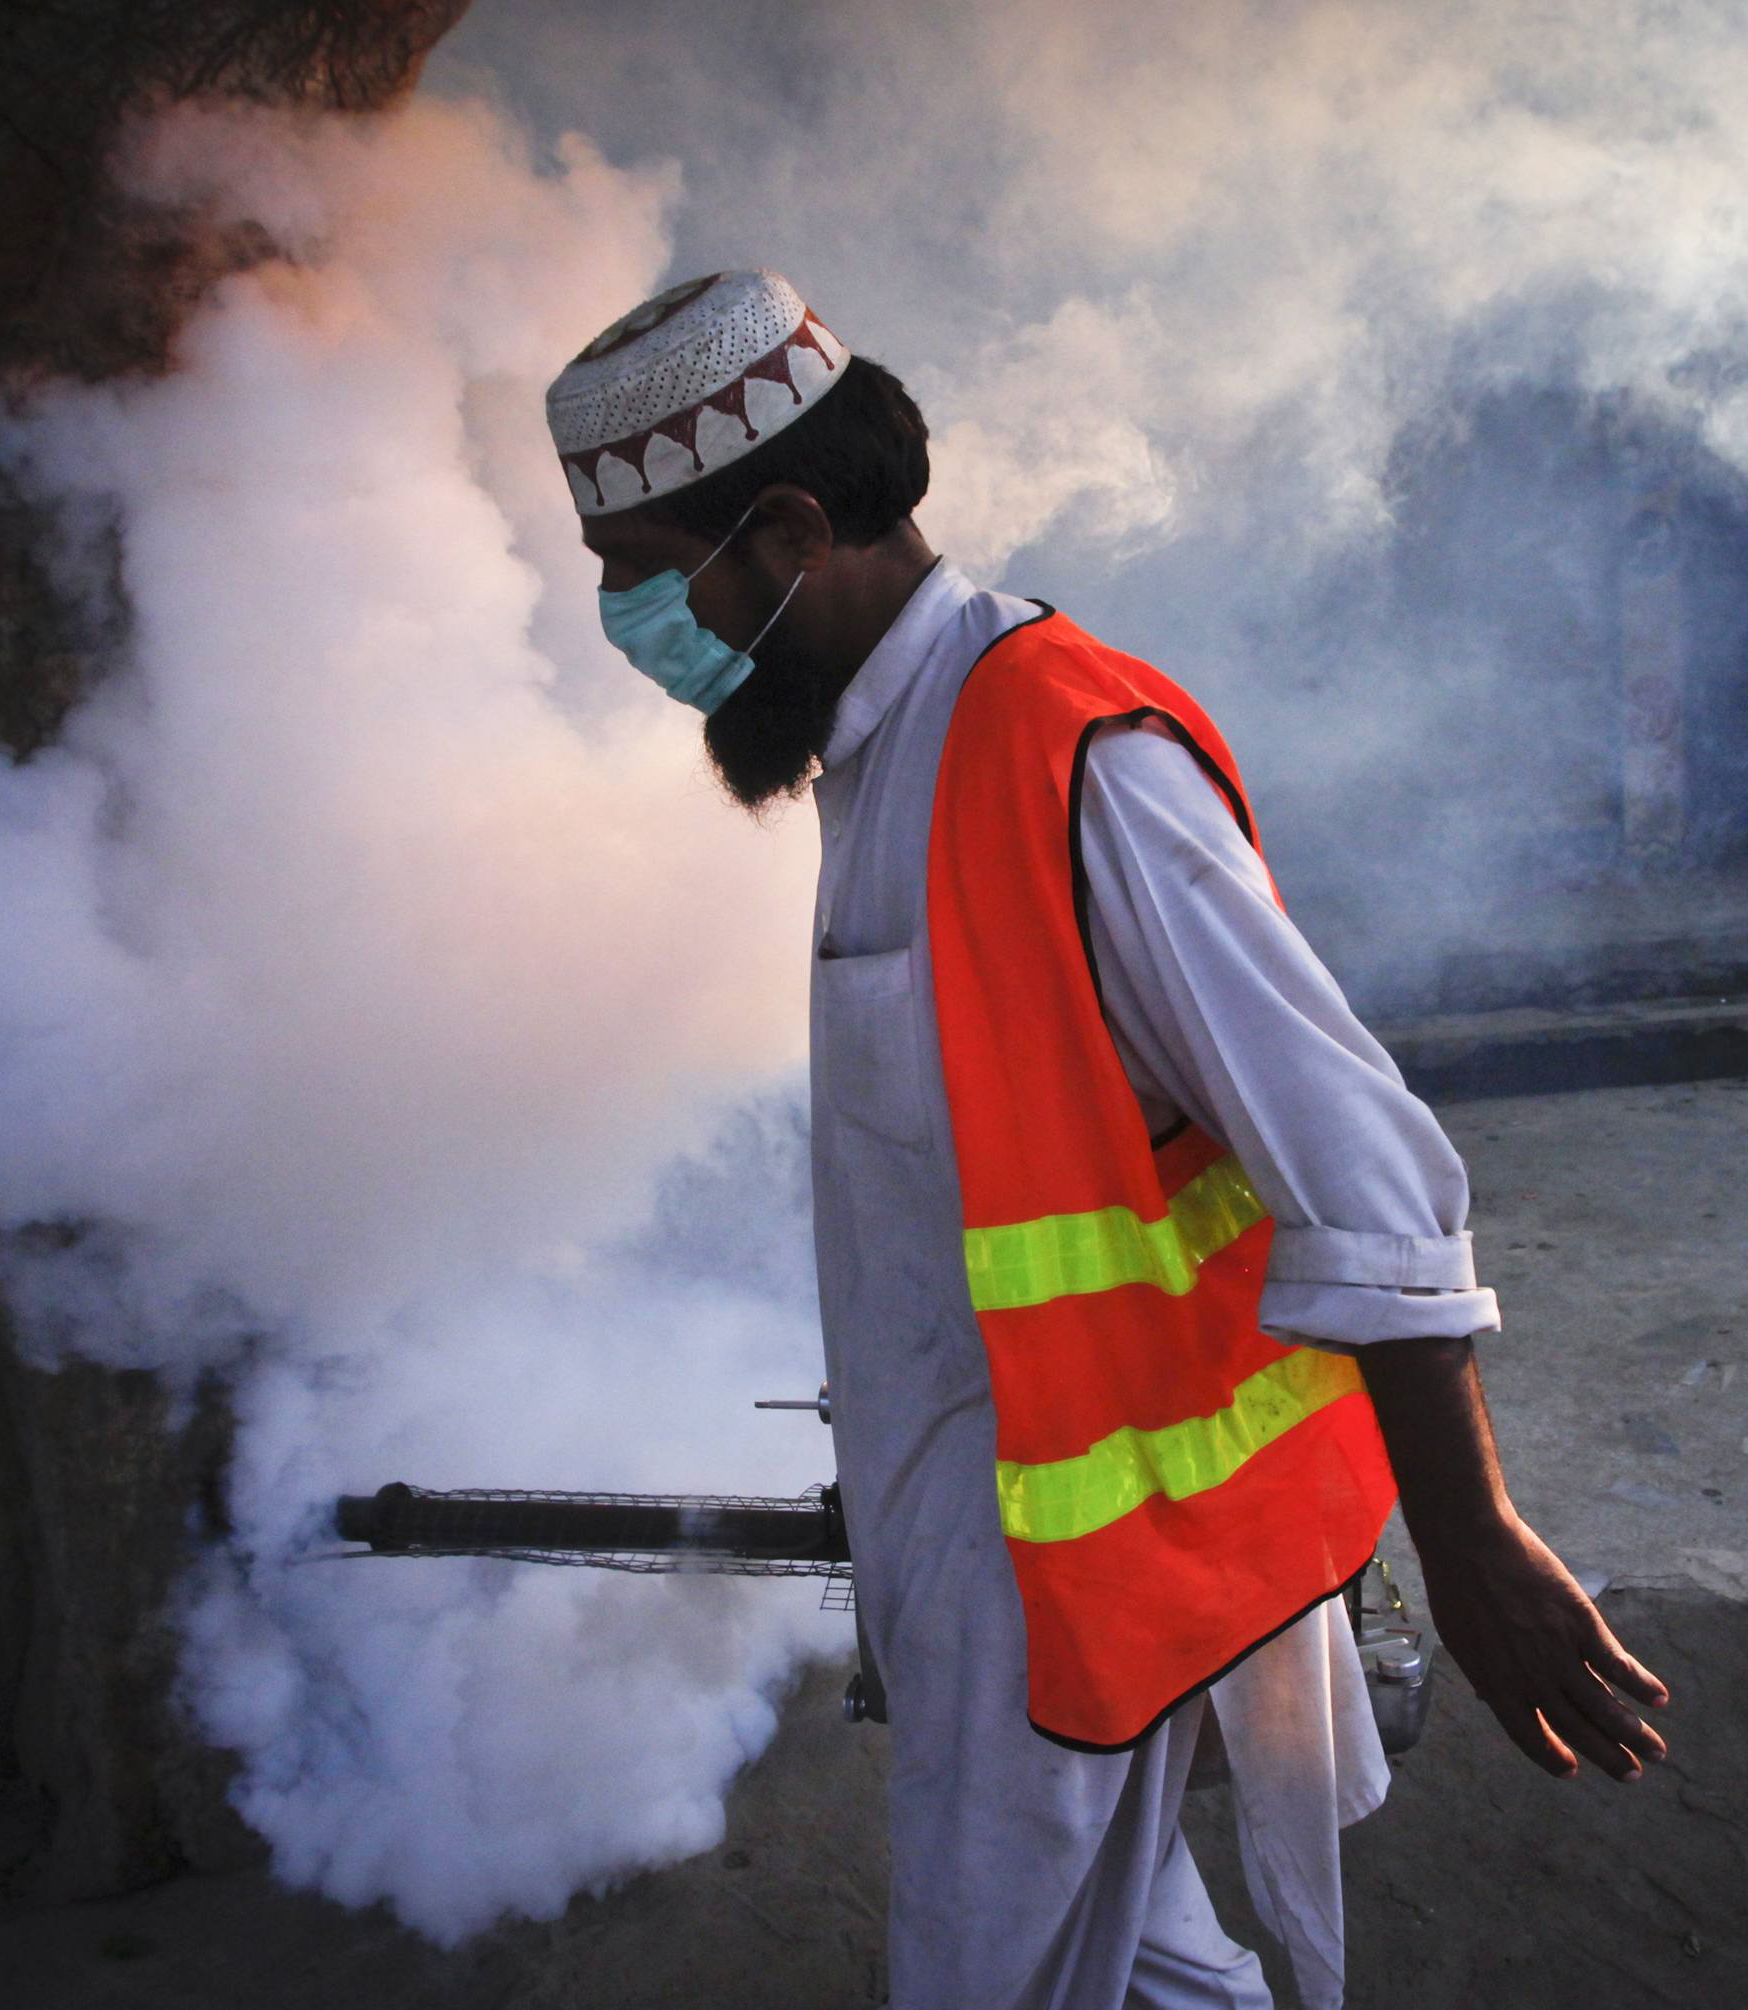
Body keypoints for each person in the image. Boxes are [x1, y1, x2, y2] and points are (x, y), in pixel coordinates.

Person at [544, 271, 1669, 2010]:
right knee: (1152, 1973)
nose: (638, 626)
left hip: (1065, 1587)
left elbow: (1367, 1173)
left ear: (785, 524)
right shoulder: (881, 755)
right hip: (980, 1555)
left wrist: (1470, 1546)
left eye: (651, 579)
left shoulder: (1069, 750)